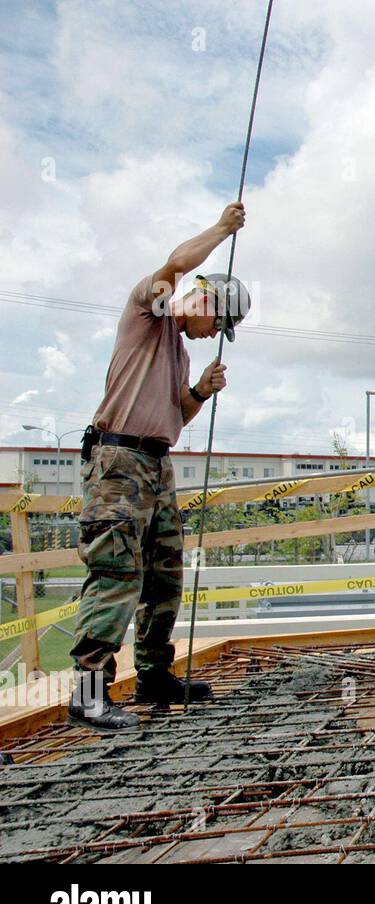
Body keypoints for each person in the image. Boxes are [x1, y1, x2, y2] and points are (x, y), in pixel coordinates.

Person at [67, 201, 249, 731]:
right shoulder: (153, 310)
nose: (214, 332)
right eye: (220, 320)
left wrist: (198, 393)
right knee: (115, 573)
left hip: (156, 463)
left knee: (164, 576)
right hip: (119, 460)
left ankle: (152, 675)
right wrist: (221, 229)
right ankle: (87, 692)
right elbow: (174, 263)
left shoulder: (182, 353)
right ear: (204, 298)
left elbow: (175, 415)